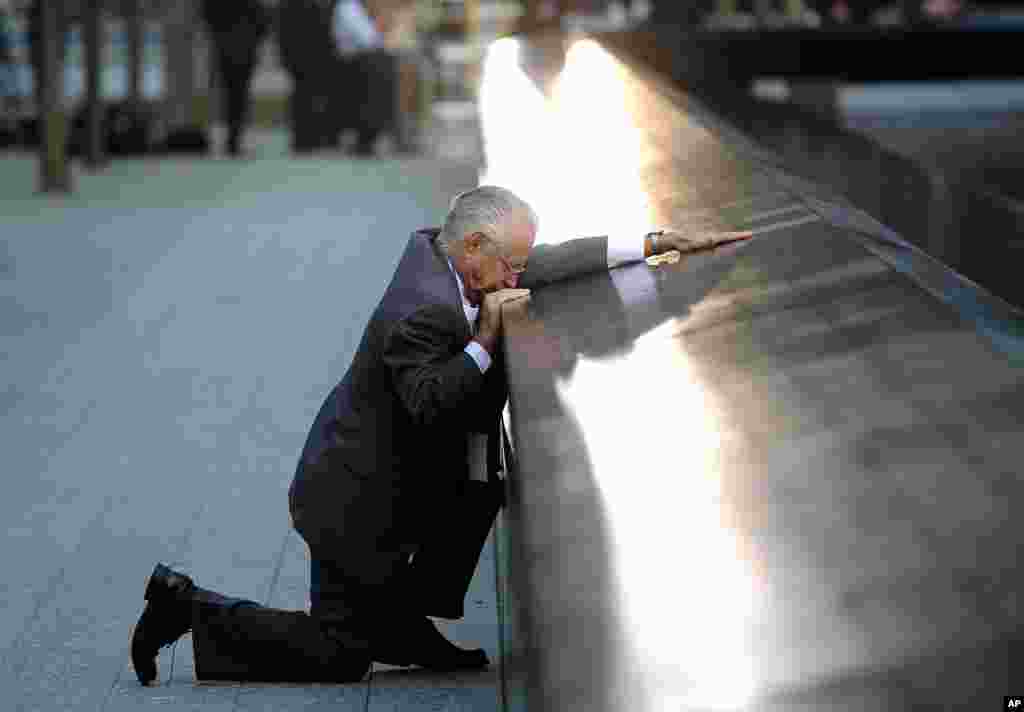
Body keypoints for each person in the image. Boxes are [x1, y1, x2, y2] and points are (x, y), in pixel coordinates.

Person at [129, 185, 705, 685]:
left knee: (451, 514)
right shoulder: (423, 308)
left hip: (354, 480)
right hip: (347, 507)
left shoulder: (449, 252)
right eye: (508, 267)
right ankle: (184, 606)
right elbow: (430, 402)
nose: (514, 280)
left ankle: (400, 625)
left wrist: (651, 243)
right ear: (475, 245)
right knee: (339, 655)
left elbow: (542, 263)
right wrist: (484, 339)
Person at [199, 0, 272, 157]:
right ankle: (234, 139)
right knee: (238, 96)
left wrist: (217, 35)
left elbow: (207, 14)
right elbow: (262, 19)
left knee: (229, 95)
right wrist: (256, 38)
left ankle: (231, 139)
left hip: (225, 47)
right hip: (243, 47)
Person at [278, 0, 337, 154]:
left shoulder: (293, 5)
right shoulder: (294, 5)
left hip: (309, 57)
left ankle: (308, 138)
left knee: (307, 97)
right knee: (305, 98)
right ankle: (305, 139)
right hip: (304, 58)